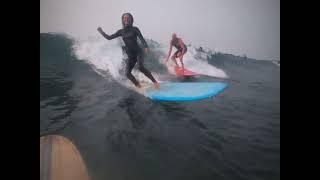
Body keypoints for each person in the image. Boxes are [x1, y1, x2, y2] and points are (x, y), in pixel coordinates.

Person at [97, 13, 159, 89]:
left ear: (131, 19)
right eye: (124, 18)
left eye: (128, 18)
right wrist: (101, 32)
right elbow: (109, 37)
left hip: (138, 52)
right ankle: (139, 86)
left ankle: (155, 82)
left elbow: (141, 38)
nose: (126, 19)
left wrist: (146, 47)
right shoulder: (120, 31)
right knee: (127, 74)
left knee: (140, 67)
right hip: (130, 55)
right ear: (122, 20)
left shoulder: (135, 29)